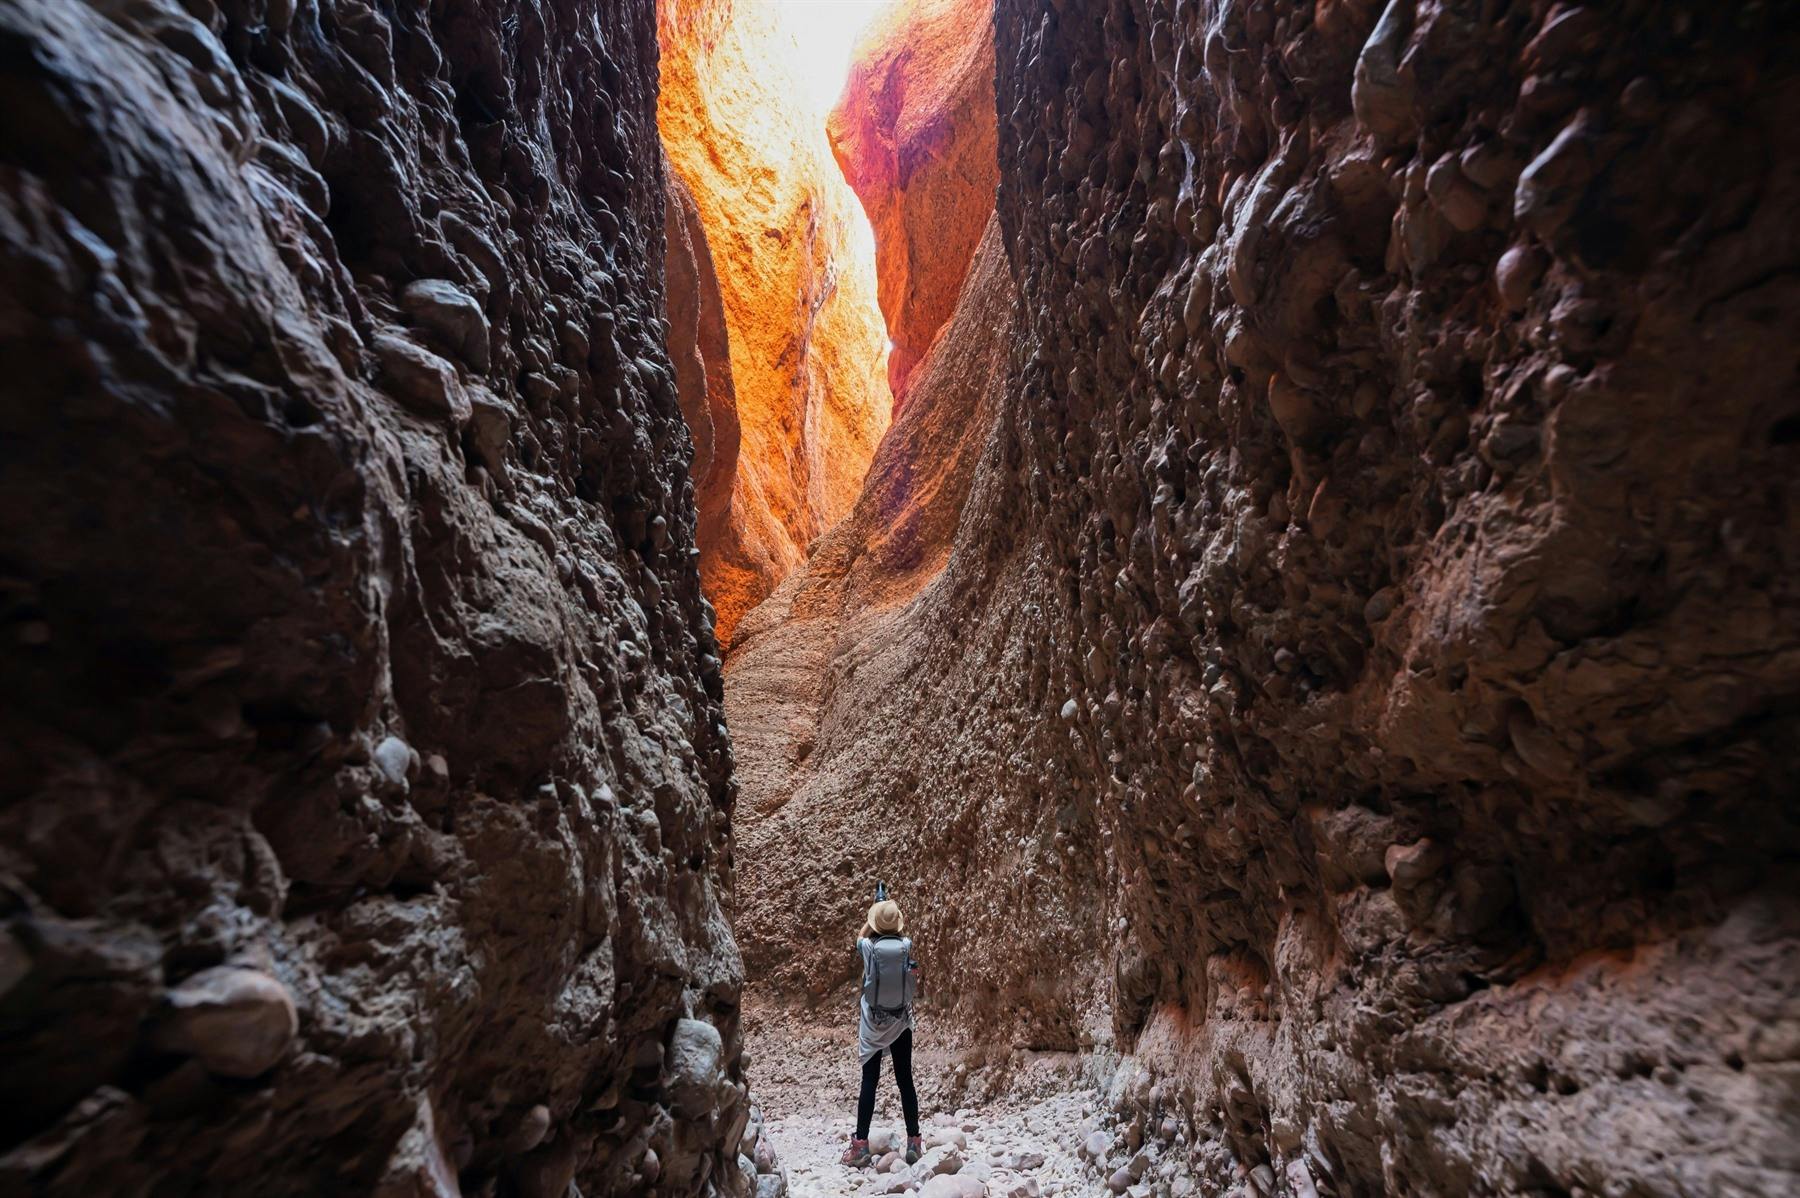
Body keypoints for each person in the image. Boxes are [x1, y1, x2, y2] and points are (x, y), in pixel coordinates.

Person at [840, 898, 922, 1167]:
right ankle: (914, 1141)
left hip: (873, 1025)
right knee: (905, 1081)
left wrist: (870, 921)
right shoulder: (906, 945)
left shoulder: (868, 947)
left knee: (869, 1082)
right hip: (901, 1023)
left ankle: (860, 1146)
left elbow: (858, 938)